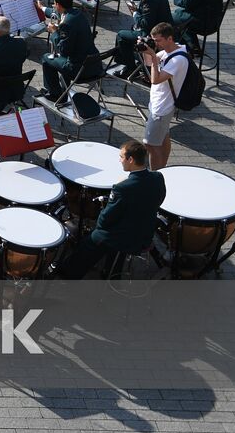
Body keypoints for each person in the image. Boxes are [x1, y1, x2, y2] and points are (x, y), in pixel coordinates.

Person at [56, 141, 165, 278]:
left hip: (126, 237)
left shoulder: (122, 188)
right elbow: (159, 199)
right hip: (146, 231)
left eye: (121, 157)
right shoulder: (158, 177)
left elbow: (105, 220)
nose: (119, 160)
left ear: (130, 160)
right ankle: (111, 269)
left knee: (91, 240)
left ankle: (69, 274)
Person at [140, 21, 188, 170]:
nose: (157, 44)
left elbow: (155, 79)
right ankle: (164, 166)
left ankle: (156, 174)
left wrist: (154, 58)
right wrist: (146, 50)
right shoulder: (170, 50)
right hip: (159, 103)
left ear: (170, 38)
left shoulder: (177, 59)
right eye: (154, 41)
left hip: (162, 108)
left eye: (159, 40)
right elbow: (149, 63)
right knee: (163, 136)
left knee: (150, 144)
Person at [39, 0, 100, 99]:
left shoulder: (66, 23)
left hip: (78, 70)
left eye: (54, 4)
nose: (53, 6)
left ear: (58, 5)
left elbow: (63, 51)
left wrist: (54, 33)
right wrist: (42, 8)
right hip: (93, 65)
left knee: (46, 58)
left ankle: (55, 93)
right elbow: (55, 13)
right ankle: (63, 91)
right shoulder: (77, 14)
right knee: (64, 58)